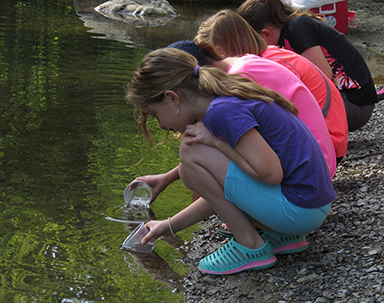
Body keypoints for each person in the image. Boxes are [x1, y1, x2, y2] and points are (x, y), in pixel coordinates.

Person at [127, 48, 336, 275]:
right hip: (307, 207)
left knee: (191, 151)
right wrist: (169, 225)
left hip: (299, 210)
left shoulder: (222, 112)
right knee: (189, 168)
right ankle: (281, 236)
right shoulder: (222, 100)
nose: (161, 125)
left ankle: (250, 245)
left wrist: (215, 143)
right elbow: (228, 190)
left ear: (172, 98)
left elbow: (270, 173)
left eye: (155, 115)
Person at [195, 9, 349, 162]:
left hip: (328, 147)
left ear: (222, 51)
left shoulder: (252, 69)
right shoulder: (269, 54)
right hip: (333, 139)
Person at [238, 0, 378, 131]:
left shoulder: (297, 29)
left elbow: (324, 75)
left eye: (252, 41)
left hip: (355, 104)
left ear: (265, 34)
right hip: (347, 102)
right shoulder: (288, 33)